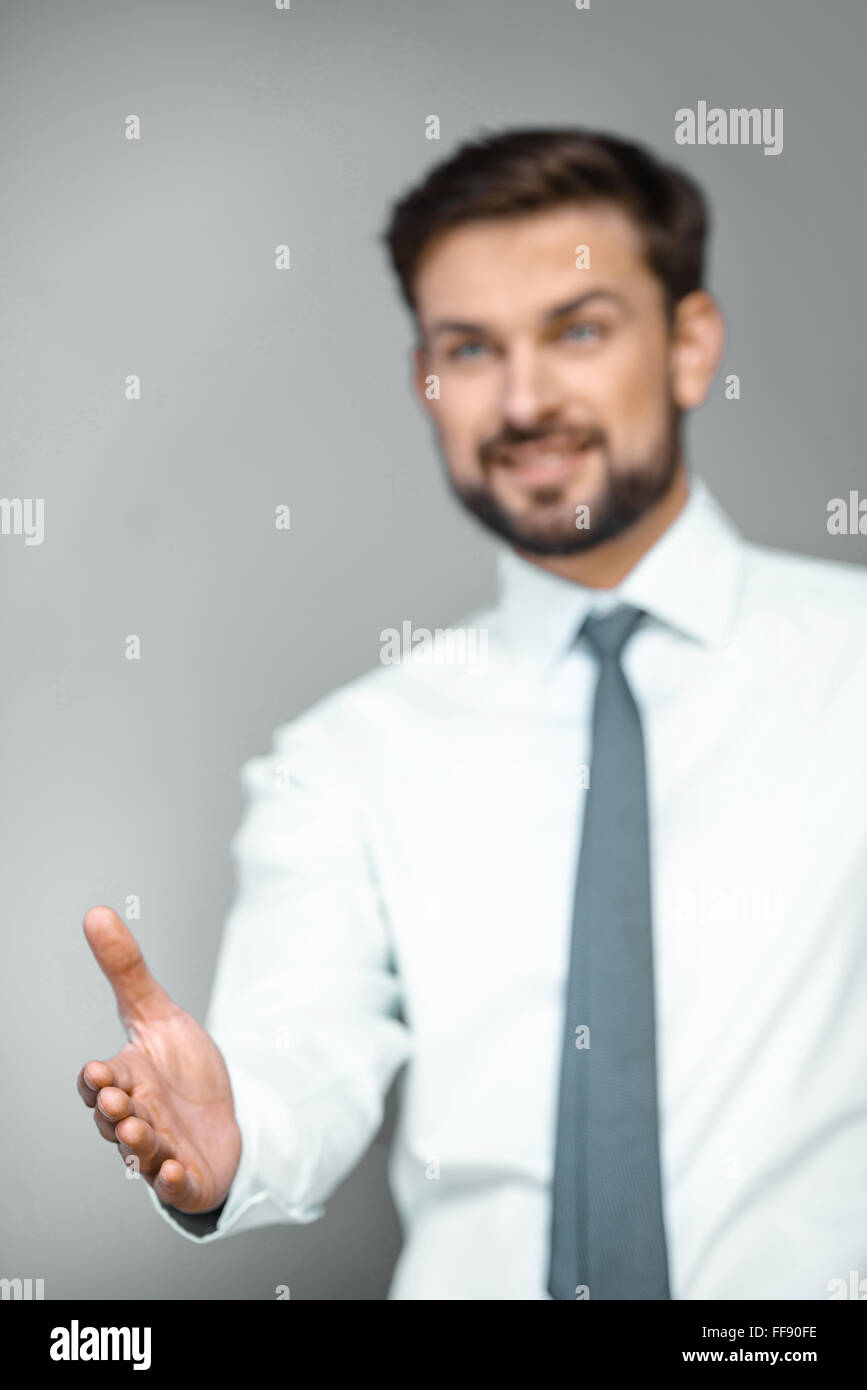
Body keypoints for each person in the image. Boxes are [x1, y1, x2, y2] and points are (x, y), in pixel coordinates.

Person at [77, 128, 867, 1301]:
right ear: (426, 382)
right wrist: (238, 1129)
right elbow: (301, 1042)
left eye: (580, 330)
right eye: (470, 348)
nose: (526, 398)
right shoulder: (341, 759)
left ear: (692, 345)